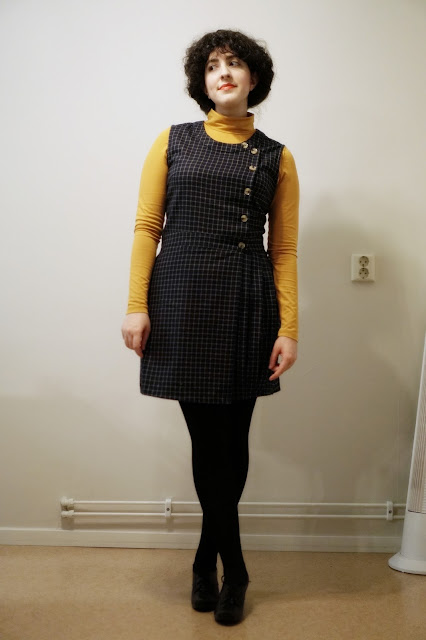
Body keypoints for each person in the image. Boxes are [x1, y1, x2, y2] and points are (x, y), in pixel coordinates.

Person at [121, 29, 300, 626]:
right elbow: (147, 226)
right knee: (207, 441)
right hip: (181, 298)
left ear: (254, 79)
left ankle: (207, 560)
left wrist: (290, 328)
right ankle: (236, 569)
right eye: (213, 65)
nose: (224, 72)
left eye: (235, 64)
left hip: (247, 301)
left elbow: (284, 251)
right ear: (202, 80)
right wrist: (136, 304)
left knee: (234, 438)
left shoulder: (278, 157)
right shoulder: (172, 141)